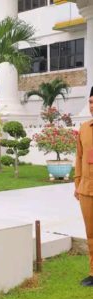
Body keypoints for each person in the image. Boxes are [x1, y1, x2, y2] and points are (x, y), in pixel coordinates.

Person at [74, 86, 93, 286]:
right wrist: (77, 182)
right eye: (90, 102)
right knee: (91, 234)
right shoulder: (84, 129)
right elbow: (79, 157)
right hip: (87, 190)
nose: (92, 106)